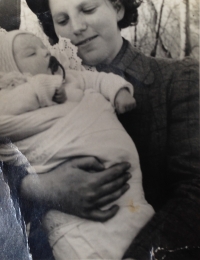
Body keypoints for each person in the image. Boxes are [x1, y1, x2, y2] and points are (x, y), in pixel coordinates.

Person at [22, 0, 199, 260]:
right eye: (62, 20)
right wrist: (38, 187)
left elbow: (195, 192)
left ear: (117, 7)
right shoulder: (40, 94)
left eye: (87, 9)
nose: (76, 27)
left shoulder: (178, 80)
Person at [0, 29, 154, 259]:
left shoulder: (70, 76)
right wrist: (42, 86)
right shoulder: (11, 94)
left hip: (125, 190)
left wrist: (119, 92)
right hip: (69, 213)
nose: (45, 53)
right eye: (32, 53)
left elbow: (96, 79)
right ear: (10, 69)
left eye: (44, 47)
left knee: (136, 230)